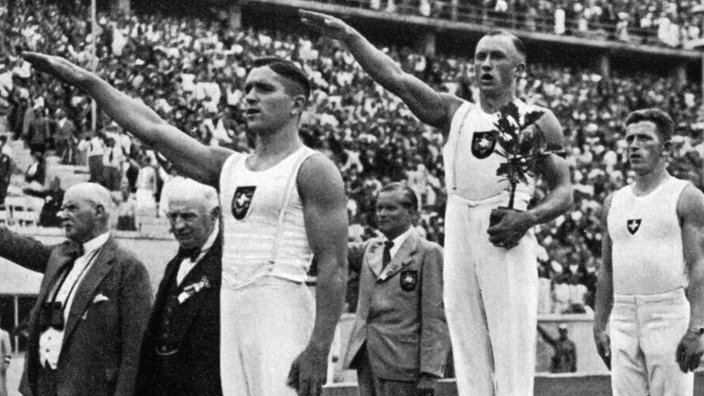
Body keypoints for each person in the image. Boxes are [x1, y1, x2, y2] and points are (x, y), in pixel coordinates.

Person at [23, 52, 348, 396]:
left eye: (265, 89)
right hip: (231, 310)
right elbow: (155, 130)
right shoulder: (229, 166)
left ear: (296, 104)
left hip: (280, 310)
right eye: (247, 87)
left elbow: (334, 265)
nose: (250, 97)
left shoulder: (312, 168)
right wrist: (87, 82)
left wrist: (318, 347)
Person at [300, 11, 573, 395]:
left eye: (497, 57)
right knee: (466, 341)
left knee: (511, 347)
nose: (485, 65)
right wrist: (348, 36)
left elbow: (564, 191)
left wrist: (528, 219)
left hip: (506, 228)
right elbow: (395, 77)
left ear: (520, 69)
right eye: (480, 57)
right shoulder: (454, 113)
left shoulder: (537, 120)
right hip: (459, 221)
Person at [0, 182, 152, 396]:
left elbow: (135, 352)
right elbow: (21, 248)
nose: (62, 215)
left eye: (71, 208)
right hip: (44, 386)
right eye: (62, 208)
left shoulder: (127, 267)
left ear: (99, 211)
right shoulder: (60, 255)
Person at [593, 108, 704, 395]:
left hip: (668, 313)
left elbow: (698, 265)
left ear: (666, 147)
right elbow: (606, 269)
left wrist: (696, 329)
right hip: (623, 315)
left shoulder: (686, 196)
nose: (634, 145)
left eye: (644, 138)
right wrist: (598, 324)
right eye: (629, 139)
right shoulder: (612, 202)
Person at [343, 182, 449, 395]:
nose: (381, 214)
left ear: (411, 213)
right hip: (367, 358)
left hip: (404, 365)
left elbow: (435, 317)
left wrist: (430, 371)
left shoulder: (428, 253)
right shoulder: (370, 249)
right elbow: (333, 250)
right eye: (379, 208)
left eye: (390, 208)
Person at [137, 178, 222, 396]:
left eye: (187, 216)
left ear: (214, 215)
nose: (178, 225)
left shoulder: (229, 264)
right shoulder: (175, 264)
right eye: (173, 216)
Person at [0, 318, 11, 396]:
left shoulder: (3, 334)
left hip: (0, 364)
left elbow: (8, 349)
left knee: (1, 386)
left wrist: (6, 362)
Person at [0, 136, 12, 206]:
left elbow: (8, 169)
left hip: (2, 180)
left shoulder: (6, 157)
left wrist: (7, 178)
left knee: (2, 196)